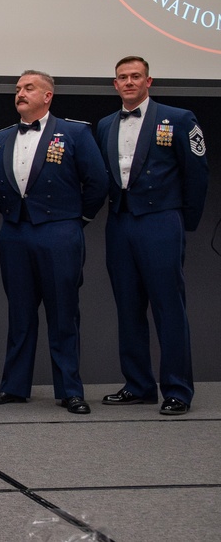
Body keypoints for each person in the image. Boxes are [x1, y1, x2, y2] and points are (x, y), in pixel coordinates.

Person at [0, 70, 108, 415]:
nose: (20, 93)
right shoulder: (1, 138)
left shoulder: (75, 132)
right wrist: (15, 214)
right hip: (15, 233)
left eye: (28, 87)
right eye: (18, 88)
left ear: (47, 95)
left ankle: (70, 390)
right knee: (19, 314)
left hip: (60, 233)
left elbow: (97, 182)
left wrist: (76, 219)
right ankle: (13, 386)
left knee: (63, 313)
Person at [96, 56, 209, 415]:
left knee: (168, 307)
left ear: (149, 81)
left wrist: (182, 221)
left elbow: (197, 173)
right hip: (120, 223)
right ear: (115, 85)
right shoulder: (104, 124)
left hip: (161, 221)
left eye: (135, 77)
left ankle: (177, 390)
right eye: (122, 78)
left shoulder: (178, 118)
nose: (129, 82)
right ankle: (138, 385)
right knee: (128, 308)